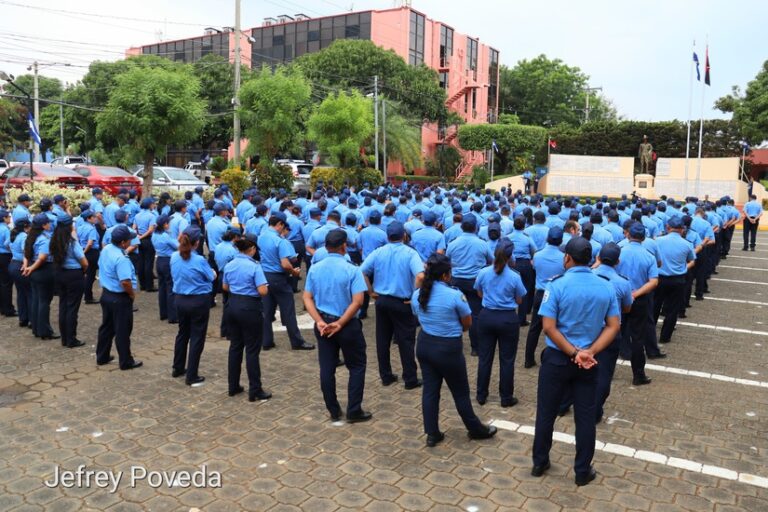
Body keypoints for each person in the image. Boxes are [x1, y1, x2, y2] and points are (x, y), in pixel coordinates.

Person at [531, 237, 620, 486]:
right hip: (588, 362)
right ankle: (582, 471)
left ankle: (539, 462)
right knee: (585, 417)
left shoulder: (556, 285)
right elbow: (614, 326)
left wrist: (573, 352)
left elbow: (548, 327)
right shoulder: (605, 286)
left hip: (559, 358)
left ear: (567, 258)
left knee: (546, 412)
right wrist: (589, 352)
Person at [411, 253, 497, 447]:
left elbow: (417, 314)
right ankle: (475, 428)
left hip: (425, 344)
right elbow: (467, 323)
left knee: (430, 390)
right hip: (448, 348)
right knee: (460, 392)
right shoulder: (455, 295)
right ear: (445, 276)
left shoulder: (417, 294)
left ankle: (432, 433)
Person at [303, 229, 371, 423]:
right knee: (357, 366)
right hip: (347, 325)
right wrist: (340, 323)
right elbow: (358, 301)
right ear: (344, 246)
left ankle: (333, 410)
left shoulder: (315, 268)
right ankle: (354, 410)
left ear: (325, 247)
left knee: (327, 367)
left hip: (324, 324)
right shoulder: (352, 269)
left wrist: (319, 321)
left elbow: (307, 298)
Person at [361, 221, 425, 389]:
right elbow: (420, 276)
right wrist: (415, 295)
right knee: (405, 340)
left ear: (387, 236)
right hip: (402, 302)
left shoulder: (378, 252)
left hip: (381, 301)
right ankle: (410, 378)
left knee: (382, 339)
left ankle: (386, 375)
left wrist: (370, 292)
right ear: (404, 235)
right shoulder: (410, 253)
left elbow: (362, 272)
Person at [473, 239, 526, 407]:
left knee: (485, 358)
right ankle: (506, 397)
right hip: (507, 319)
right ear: (510, 256)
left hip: (486, 317)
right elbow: (519, 300)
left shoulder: (483, 272)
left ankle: (481, 395)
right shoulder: (515, 277)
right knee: (507, 360)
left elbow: (479, 293)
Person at [222, 237, 271, 401]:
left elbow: (225, 287)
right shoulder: (255, 267)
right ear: (252, 249)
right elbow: (263, 291)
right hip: (250, 307)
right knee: (252, 349)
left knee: (235, 346)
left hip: (232, 305)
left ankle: (233, 385)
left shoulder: (230, 265)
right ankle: (255, 389)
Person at [590, 244, 633, 422]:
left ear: (598, 257)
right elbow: (627, 308)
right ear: (618, 261)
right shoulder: (622, 282)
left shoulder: (588, 275)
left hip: (587, 329)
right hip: (610, 332)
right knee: (604, 373)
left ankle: (563, 404)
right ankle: (594, 412)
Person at [259, 212, 314, 351]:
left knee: (266, 310)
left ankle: (266, 341)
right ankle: (296, 341)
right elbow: (285, 263)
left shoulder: (261, 237)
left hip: (264, 276)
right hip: (278, 278)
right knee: (288, 310)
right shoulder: (280, 241)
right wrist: (293, 272)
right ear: (280, 224)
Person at [617, 222, 661, 385]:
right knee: (637, 337)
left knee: (613, 333)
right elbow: (653, 282)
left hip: (619, 298)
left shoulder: (619, 252)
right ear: (644, 238)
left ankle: (607, 370)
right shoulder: (649, 256)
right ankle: (638, 375)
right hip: (639, 299)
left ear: (628, 235)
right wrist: (636, 293)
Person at [171, 226, 216, 385]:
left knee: (183, 333)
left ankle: (177, 367)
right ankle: (192, 374)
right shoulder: (199, 260)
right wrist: (213, 273)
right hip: (198, 301)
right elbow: (210, 277)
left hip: (180, 299)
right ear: (197, 243)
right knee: (197, 336)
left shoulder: (174, 257)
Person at [445, 216, 493, 356]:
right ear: (475, 227)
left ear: (462, 227)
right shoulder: (482, 244)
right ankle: (475, 348)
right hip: (474, 282)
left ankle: (454, 344)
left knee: (454, 313)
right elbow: (491, 260)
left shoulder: (453, 243)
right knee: (475, 314)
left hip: (456, 282)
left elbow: (447, 261)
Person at [96, 225, 142, 370]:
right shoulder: (121, 258)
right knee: (123, 330)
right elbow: (125, 282)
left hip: (107, 295)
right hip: (119, 298)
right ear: (123, 242)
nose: (131, 241)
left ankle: (102, 356)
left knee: (107, 328)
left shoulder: (107, 249)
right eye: (129, 239)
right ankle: (126, 361)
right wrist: (131, 294)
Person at [524, 227, 565, 368]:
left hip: (541, 294)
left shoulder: (538, 255)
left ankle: (528, 359)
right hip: (557, 295)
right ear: (560, 241)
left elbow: (535, 269)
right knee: (558, 328)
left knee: (535, 328)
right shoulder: (564, 257)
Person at [654, 217, 696, 344]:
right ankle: (665, 337)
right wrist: (683, 268)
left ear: (668, 227)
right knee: (672, 311)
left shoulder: (658, 241)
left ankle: (649, 334)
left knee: (654, 307)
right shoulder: (687, 244)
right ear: (682, 230)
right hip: (678, 280)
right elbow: (692, 261)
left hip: (659, 279)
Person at [49, 214, 88, 348]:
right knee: (72, 308)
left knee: (63, 306)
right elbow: (83, 261)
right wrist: (84, 269)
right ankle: (71, 339)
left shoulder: (54, 239)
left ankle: (64, 338)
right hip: (74, 275)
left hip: (59, 273)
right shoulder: (71, 242)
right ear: (69, 225)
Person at [23, 214, 57, 339]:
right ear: (43, 225)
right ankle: (45, 331)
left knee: (37, 300)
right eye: (48, 223)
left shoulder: (31, 237)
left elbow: (26, 253)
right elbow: (42, 257)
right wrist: (31, 268)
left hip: (34, 271)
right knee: (44, 302)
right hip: (43, 271)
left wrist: (28, 267)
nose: (50, 225)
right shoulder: (43, 239)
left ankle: (37, 328)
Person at [507, 216, 536, 325]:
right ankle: (521, 319)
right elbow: (534, 250)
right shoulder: (527, 238)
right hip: (525, 264)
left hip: (511, 264)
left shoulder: (508, 237)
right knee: (525, 290)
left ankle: (509, 315)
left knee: (509, 288)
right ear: (524, 226)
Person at [152, 215, 179, 323]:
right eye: (168, 223)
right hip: (168, 261)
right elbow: (177, 246)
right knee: (171, 288)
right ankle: (173, 316)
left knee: (162, 287)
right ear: (165, 224)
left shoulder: (155, 234)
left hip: (159, 261)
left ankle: (163, 313)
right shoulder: (165, 236)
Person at [9, 219, 31, 328]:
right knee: (29, 293)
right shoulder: (23, 236)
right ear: (26, 226)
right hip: (21, 265)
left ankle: (23, 318)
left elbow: (7, 245)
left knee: (21, 293)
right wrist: (26, 265)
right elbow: (25, 251)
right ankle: (31, 319)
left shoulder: (14, 234)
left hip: (13, 264)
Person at [77, 210, 101, 304]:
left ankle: (86, 295)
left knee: (87, 274)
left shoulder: (80, 227)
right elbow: (90, 243)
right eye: (93, 217)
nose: (95, 218)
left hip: (83, 250)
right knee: (90, 276)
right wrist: (84, 252)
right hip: (91, 253)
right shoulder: (91, 229)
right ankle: (88, 297)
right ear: (88, 218)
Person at [134, 198, 157, 292]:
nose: (154, 205)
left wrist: (138, 236)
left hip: (139, 239)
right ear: (150, 205)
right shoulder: (151, 216)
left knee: (141, 262)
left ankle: (142, 284)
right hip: (148, 240)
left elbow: (134, 228)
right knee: (149, 263)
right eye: (153, 204)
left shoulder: (137, 215)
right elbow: (151, 230)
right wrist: (143, 236)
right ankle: (149, 286)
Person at [0, 209, 16, 317]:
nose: (10, 218)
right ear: (4, 218)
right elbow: (8, 244)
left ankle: (2, 307)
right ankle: (8, 308)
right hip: (5, 256)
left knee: (1, 282)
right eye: (8, 217)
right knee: (7, 283)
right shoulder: (6, 229)